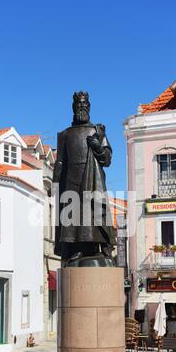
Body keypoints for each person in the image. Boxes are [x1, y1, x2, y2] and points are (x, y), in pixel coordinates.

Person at [53, 91, 116, 264]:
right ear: (73, 108)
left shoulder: (97, 131)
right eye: (78, 105)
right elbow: (60, 162)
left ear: (89, 107)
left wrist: (97, 146)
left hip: (93, 177)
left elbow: (107, 159)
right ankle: (78, 248)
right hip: (71, 179)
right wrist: (55, 183)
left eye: (84, 105)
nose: (81, 108)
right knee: (73, 215)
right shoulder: (65, 134)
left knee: (94, 212)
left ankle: (99, 245)